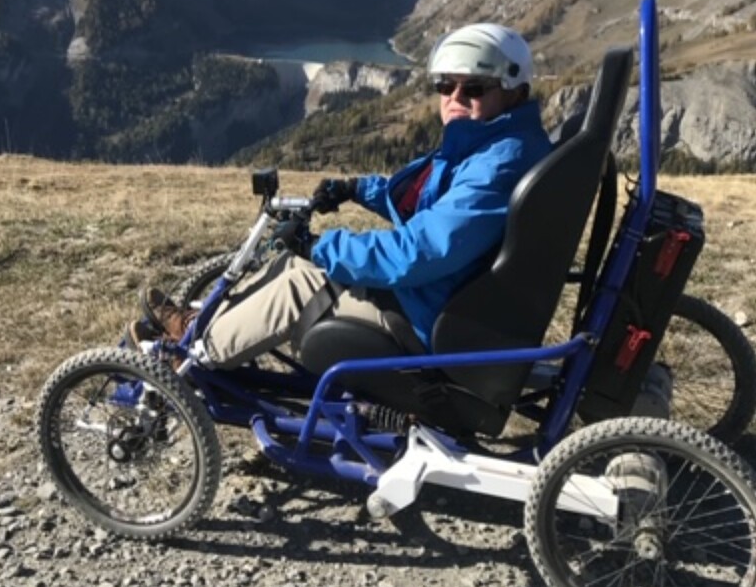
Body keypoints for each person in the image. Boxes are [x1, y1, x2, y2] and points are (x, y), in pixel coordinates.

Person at [130, 22, 552, 368]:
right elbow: (427, 204)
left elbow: (420, 251)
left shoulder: (497, 165)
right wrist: (358, 190)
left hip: (429, 319)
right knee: (296, 261)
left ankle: (193, 355)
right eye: (445, 86)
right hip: (440, 298)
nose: (455, 99)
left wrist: (319, 247)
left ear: (514, 90)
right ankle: (203, 323)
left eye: (474, 88)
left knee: (304, 279)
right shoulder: (497, 144)